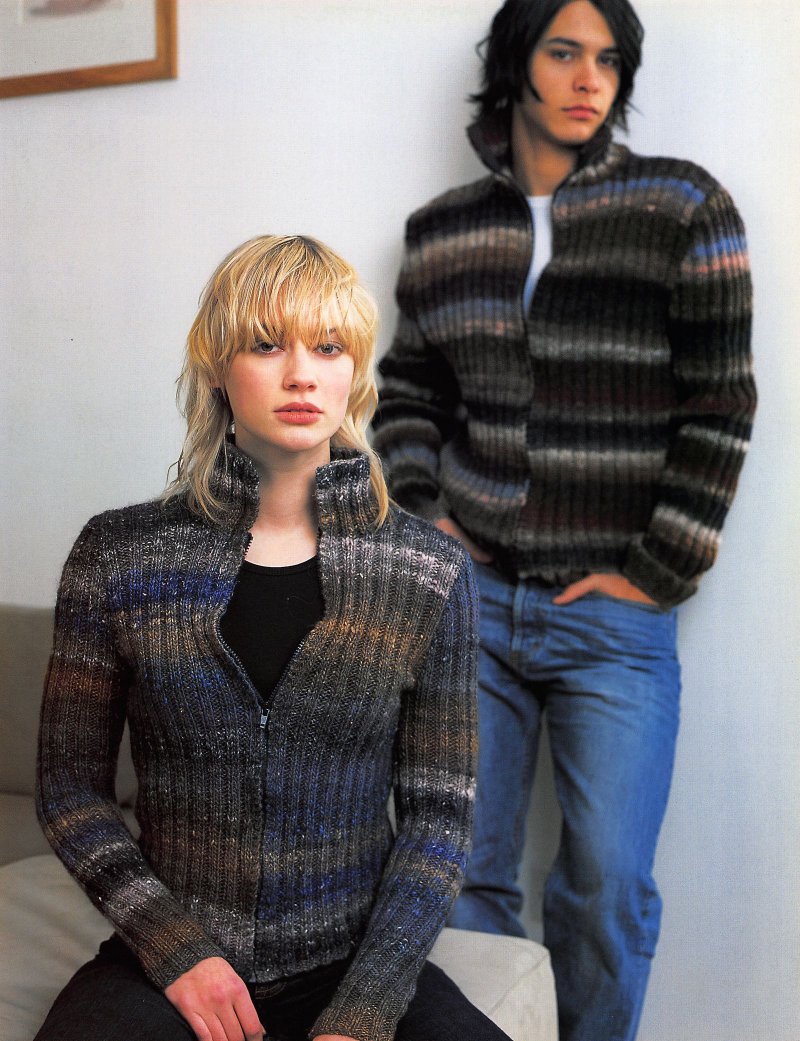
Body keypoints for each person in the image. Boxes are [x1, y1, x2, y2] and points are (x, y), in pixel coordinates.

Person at [371, 2, 757, 1039]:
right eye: (563, 52)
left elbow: (720, 402)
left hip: (614, 621)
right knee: (457, 871)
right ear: (515, 63)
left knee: (606, 884)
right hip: (469, 607)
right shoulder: (441, 231)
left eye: (609, 60)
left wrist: (658, 569)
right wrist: (423, 516)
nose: (590, 79)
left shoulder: (681, 205)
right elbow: (408, 392)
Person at [35, 234, 511, 1041]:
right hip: (172, 968)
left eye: (328, 347)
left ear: (355, 371)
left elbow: (439, 816)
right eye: (265, 345)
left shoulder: (427, 571)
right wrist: (175, 950)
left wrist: (364, 1010)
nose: (301, 374)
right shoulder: (117, 555)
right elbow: (69, 789)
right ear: (218, 368)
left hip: (355, 965)